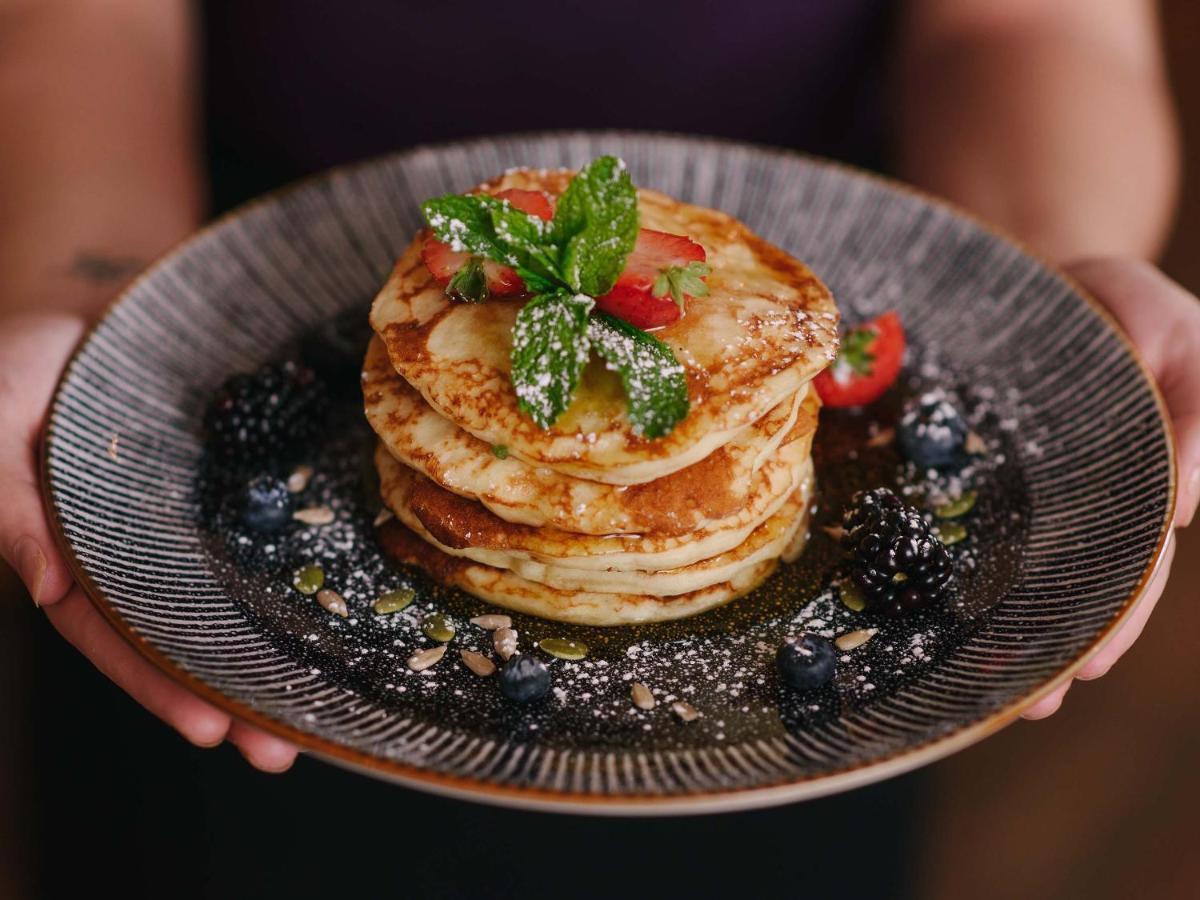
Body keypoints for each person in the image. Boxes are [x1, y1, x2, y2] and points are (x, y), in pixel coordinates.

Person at [2, 0, 1198, 893]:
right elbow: (81, 28)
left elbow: (1033, 23)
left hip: (768, 654)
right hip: (244, 272)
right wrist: (93, 296)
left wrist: (1041, 295)